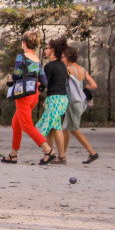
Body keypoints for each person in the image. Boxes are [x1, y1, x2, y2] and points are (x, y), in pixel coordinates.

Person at [3, 30, 56, 165]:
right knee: (16, 123)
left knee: (26, 125)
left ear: (24, 42)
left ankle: (48, 150)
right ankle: (13, 154)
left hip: (23, 95)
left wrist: (13, 79)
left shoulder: (22, 57)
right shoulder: (37, 59)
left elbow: (17, 74)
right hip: (34, 95)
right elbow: (43, 79)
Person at [61, 45, 100, 163]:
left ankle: (92, 152)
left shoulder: (68, 70)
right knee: (66, 129)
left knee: (73, 129)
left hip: (71, 101)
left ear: (68, 57)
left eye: (63, 56)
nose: (62, 59)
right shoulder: (82, 70)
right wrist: (84, 87)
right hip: (81, 101)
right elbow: (94, 85)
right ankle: (62, 155)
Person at [35, 36, 70, 164]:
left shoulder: (49, 66)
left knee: (55, 127)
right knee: (50, 127)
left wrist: (36, 94)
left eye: (48, 48)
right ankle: (48, 153)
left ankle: (61, 156)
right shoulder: (62, 65)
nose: (45, 50)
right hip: (62, 98)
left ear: (53, 50)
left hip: (55, 98)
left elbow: (44, 84)